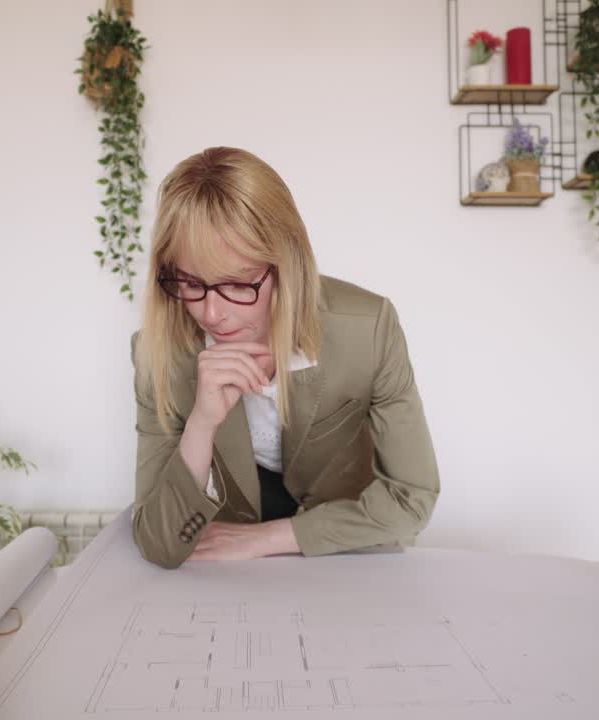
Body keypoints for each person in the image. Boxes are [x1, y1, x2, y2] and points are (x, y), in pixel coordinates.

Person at [130, 147, 439, 569]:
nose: (211, 314)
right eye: (189, 282)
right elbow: (159, 542)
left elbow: (412, 497)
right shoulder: (158, 352)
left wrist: (270, 538)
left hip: (343, 557)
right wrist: (201, 424)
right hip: (231, 576)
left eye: (238, 284)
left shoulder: (368, 329)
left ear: (287, 264)